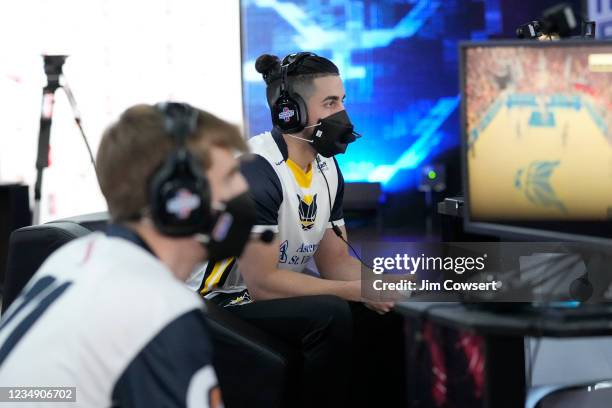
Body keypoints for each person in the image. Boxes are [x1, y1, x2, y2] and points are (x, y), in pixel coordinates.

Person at [0, 102, 254, 407]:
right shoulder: (159, 306)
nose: (242, 188)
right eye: (229, 177)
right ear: (177, 198)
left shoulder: (78, 256)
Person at [188, 52, 405, 407]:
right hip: (218, 302)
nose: (342, 114)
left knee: (386, 310)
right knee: (330, 313)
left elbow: (336, 261)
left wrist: (376, 285)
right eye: (330, 102)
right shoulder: (256, 172)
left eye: (342, 101)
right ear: (290, 112)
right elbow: (263, 285)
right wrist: (354, 290)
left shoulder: (327, 167)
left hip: (261, 295)